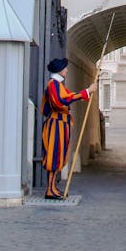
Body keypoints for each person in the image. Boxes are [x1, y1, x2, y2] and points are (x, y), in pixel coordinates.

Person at [41, 57, 97, 200]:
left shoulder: (58, 85)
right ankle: (49, 189)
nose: (66, 70)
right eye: (64, 68)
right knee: (53, 156)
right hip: (56, 124)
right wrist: (86, 92)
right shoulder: (53, 85)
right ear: (59, 70)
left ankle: (52, 187)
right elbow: (62, 101)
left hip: (61, 123)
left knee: (59, 155)